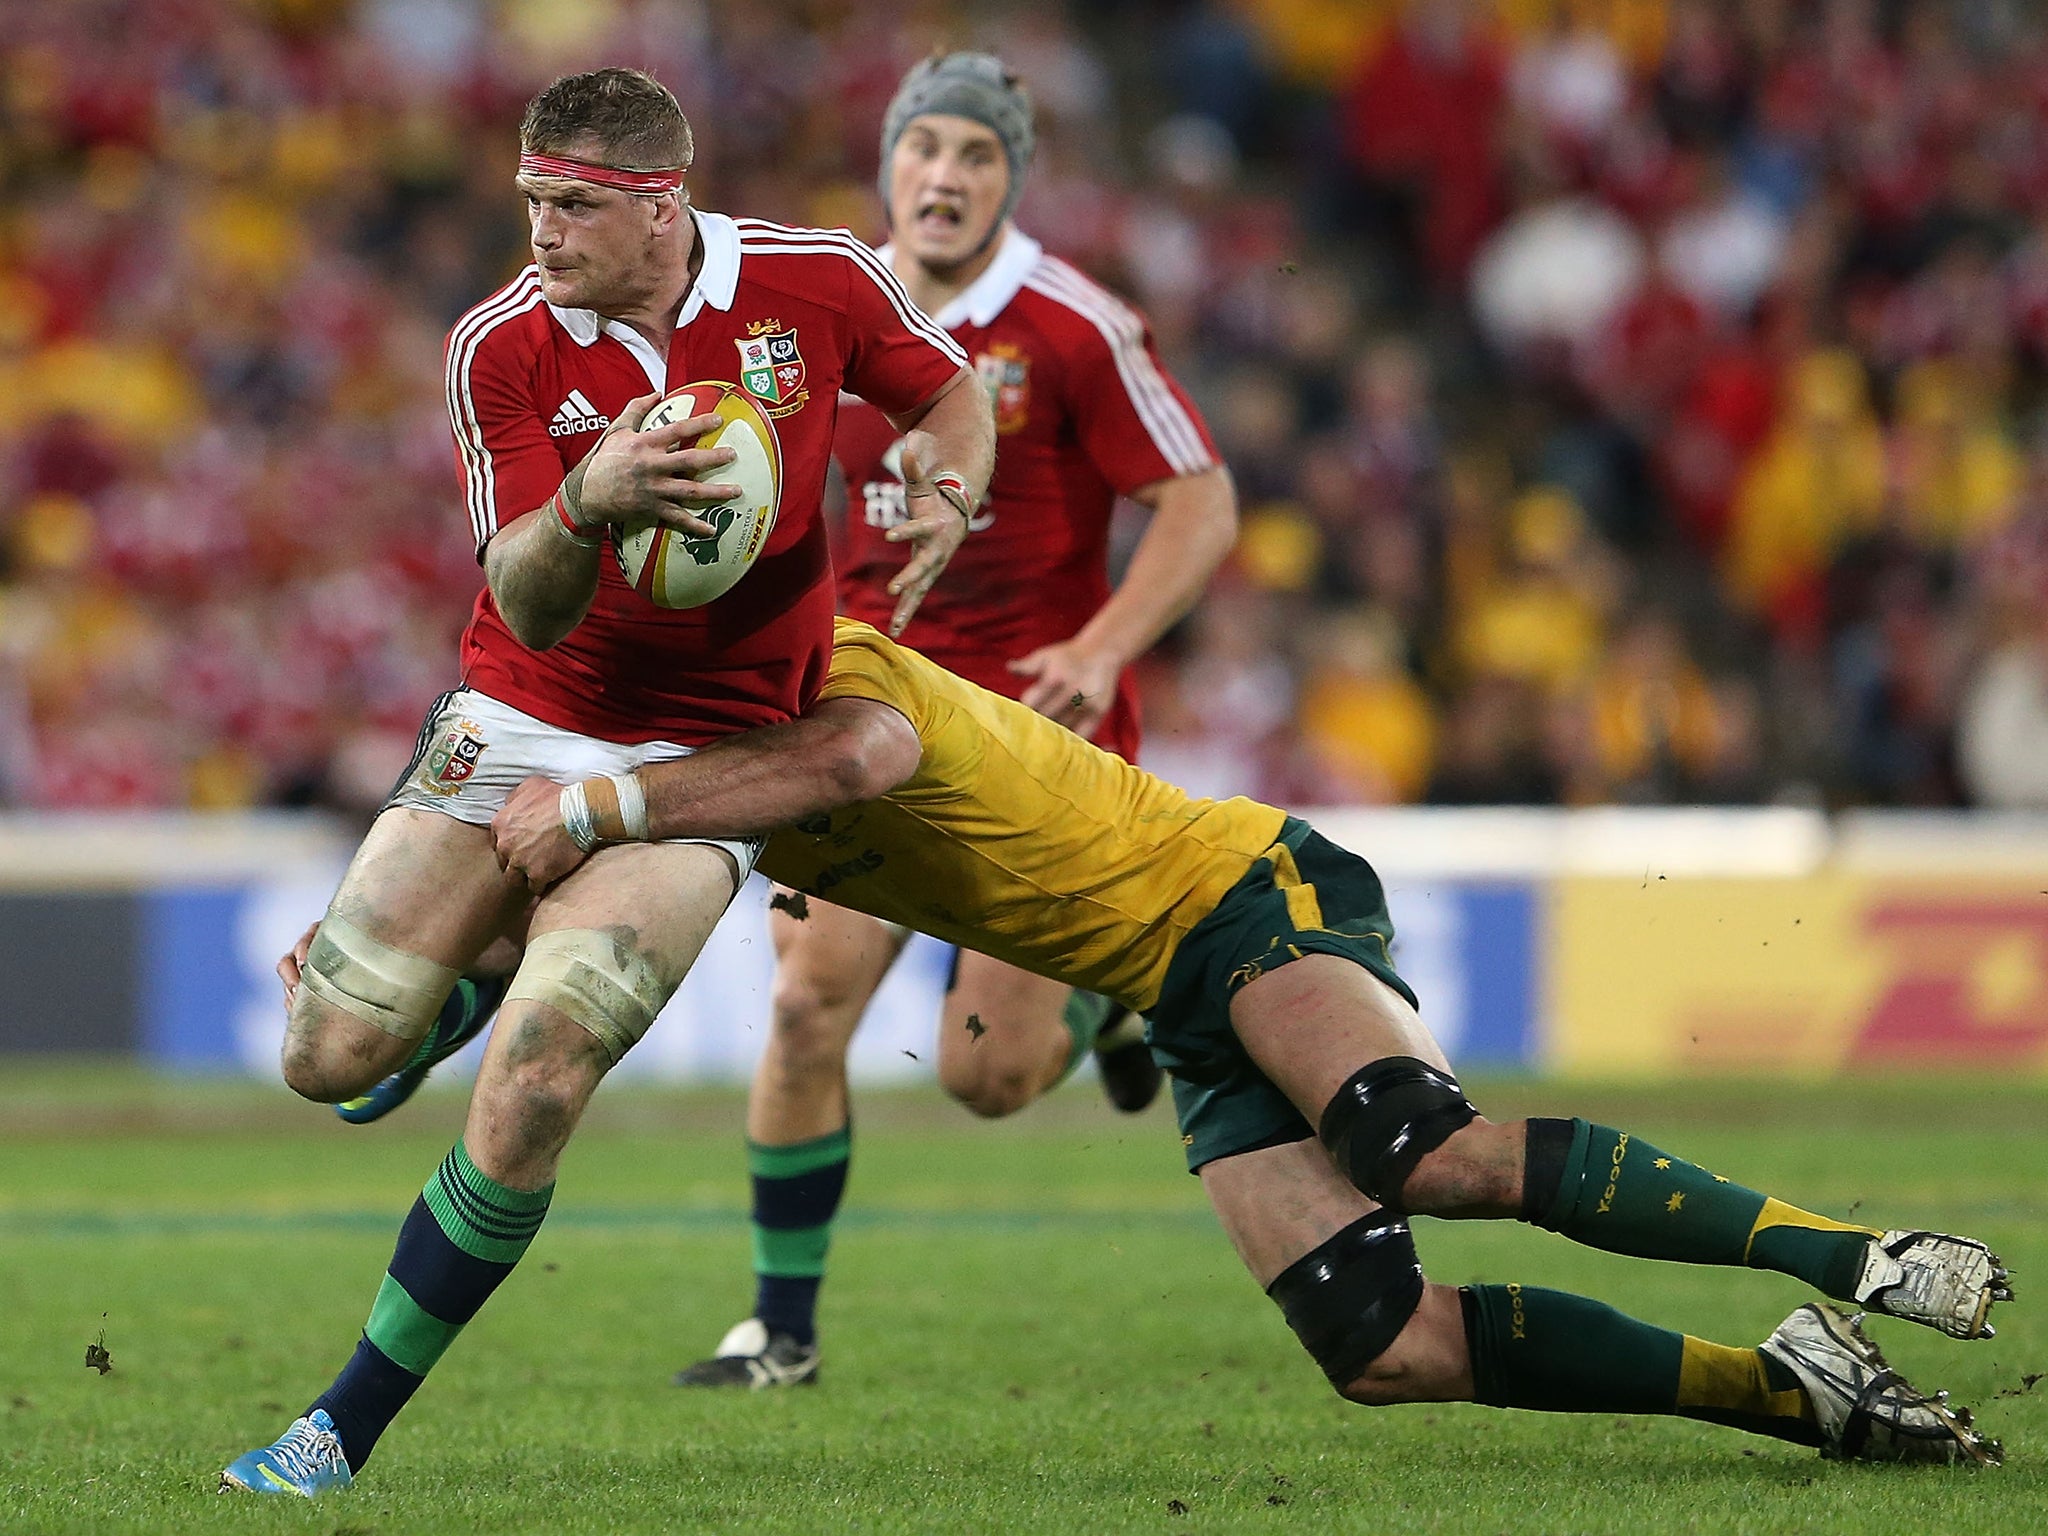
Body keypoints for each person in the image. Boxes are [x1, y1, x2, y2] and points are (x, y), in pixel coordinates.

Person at [489, 617, 2008, 1467]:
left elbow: (851, 758)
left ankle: (1854, 1258)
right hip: (1170, 991)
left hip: (1232, 894)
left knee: (1427, 1155)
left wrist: (608, 806)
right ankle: (1790, 1386)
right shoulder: (715, 791)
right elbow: (578, 927)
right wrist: (415, 990)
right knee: (1382, 1351)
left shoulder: (831, 679)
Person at [220, 67, 994, 1498]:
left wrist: (944, 488)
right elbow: (522, 597)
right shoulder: (497, 347)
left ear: (660, 205)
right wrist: (590, 498)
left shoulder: (817, 281)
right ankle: (453, 985)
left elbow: (948, 394)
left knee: (535, 1078)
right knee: (326, 1060)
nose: (543, 231)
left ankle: (337, 1431)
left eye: (574, 205)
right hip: (521, 712)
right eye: (531, 200)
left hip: (714, 752)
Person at [674, 51, 1240, 1389]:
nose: (946, 174)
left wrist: (1102, 650)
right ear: (889, 164)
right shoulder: (807, 309)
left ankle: (1103, 1012)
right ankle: (781, 1333)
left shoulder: (1074, 323)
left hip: (1033, 742)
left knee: (983, 1082)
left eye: (977, 155)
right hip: (861, 720)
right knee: (807, 1009)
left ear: (1011, 178)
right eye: (926, 147)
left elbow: (1202, 503)